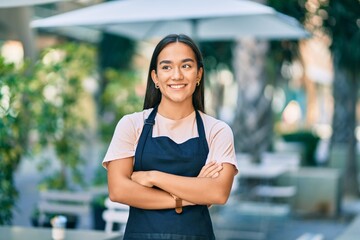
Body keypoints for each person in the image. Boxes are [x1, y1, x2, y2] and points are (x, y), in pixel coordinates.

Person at [103, 34, 238, 240]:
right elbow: (119, 190)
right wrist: (188, 196)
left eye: (186, 66)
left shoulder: (217, 130)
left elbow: (218, 193)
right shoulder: (131, 125)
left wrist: (152, 177)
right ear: (155, 77)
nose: (176, 75)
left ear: (199, 74)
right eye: (166, 67)